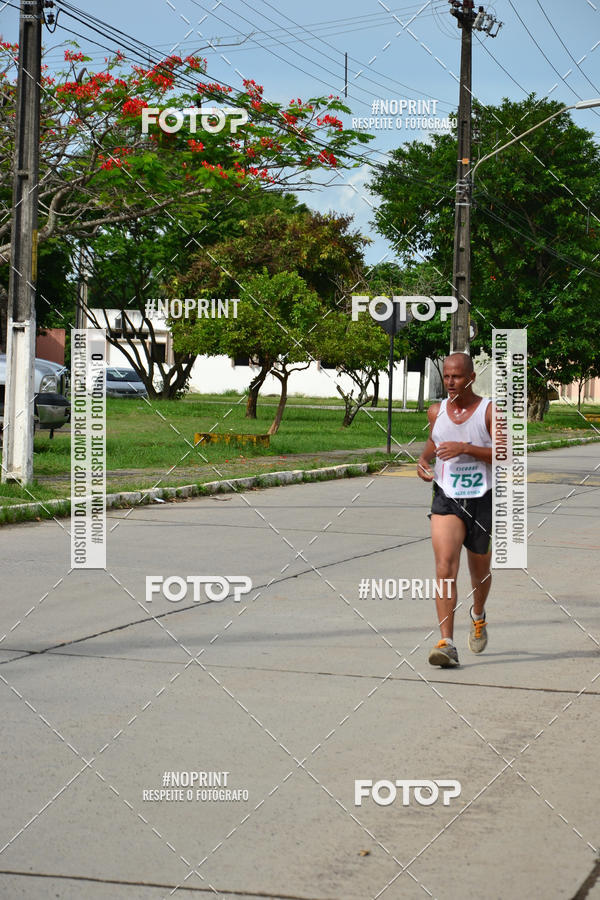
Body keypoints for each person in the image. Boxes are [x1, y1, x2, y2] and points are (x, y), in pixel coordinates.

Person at [417, 353, 493, 667]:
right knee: (445, 565)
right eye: (447, 376)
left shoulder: (490, 411)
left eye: (457, 377)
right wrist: (423, 461)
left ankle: (478, 614)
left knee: (479, 572)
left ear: (471, 377)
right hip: (447, 497)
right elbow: (432, 445)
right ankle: (446, 642)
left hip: (482, 497)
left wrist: (464, 448)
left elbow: (507, 456)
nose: (450, 382)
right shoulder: (437, 412)